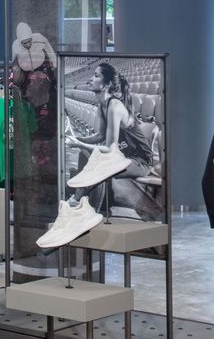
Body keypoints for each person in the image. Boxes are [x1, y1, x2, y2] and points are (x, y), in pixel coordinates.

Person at [66, 62, 164, 220]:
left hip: (139, 161)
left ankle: (77, 202)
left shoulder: (115, 106)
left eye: (96, 76)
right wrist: (77, 139)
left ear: (107, 84)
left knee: (101, 163)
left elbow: (110, 149)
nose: (90, 79)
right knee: (85, 154)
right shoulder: (102, 105)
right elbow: (99, 136)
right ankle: (90, 201)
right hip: (123, 157)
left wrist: (78, 143)